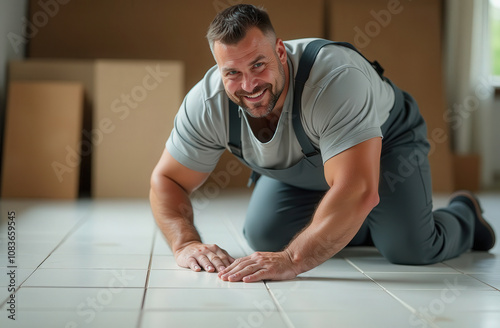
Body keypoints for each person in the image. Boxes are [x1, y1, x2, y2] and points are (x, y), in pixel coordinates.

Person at [149, 4, 496, 283]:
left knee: (409, 247)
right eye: (233, 73)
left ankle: (465, 214)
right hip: (304, 167)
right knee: (266, 235)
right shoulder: (207, 103)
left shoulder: (335, 80)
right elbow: (167, 180)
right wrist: (186, 243)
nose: (249, 84)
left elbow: (359, 189)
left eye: (258, 64)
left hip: (384, 143)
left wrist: (292, 260)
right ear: (219, 69)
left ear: (280, 52)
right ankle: (366, 220)